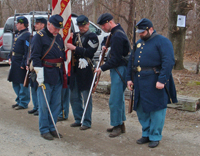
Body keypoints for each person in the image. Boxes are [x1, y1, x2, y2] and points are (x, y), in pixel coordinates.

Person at [126, 18, 177, 148]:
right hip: (139, 80)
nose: (140, 34)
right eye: (139, 32)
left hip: (155, 80)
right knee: (142, 109)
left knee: (156, 110)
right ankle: (146, 133)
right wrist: (129, 78)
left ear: (151, 29)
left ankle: (155, 136)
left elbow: (168, 61)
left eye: (143, 32)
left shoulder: (163, 41)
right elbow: (131, 62)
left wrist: (162, 80)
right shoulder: (138, 43)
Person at [31, 14, 67, 140]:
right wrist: (39, 73)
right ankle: (44, 129)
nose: (57, 30)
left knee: (56, 104)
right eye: (55, 28)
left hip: (57, 74)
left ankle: (52, 127)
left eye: (59, 28)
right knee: (44, 104)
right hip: (45, 74)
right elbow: (35, 56)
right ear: (48, 24)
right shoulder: (39, 37)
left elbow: (62, 54)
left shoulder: (59, 38)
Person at [95, 13, 129, 137]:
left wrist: (101, 68)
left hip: (120, 69)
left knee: (114, 100)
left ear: (110, 22)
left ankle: (117, 125)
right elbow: (108, 39)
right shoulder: (115, 33)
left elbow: (115, 59)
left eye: (103, 25)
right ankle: (120, 124)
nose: (103, 28)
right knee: (118, 98)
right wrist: (105, 44)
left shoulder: (118, 35)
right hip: (118, 68)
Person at [66, 15, 99, 130]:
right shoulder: (76, 36)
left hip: (86, 71)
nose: (81, 27)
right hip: (75, 69)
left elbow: (90, 52)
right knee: (73, 96)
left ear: (88, 24)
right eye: (80, 25)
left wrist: (75, 48)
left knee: (86, 97)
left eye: (83, 25)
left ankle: (87, 121)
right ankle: (78, 118)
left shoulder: (93, 37)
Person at [8, 16, 31, 110]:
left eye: (18, 23)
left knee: (22, 82)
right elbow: (13, 46)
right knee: (15, 81)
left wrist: (24, 62)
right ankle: (19, 100)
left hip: (21, 60)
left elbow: (27, 50)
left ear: (22, 24)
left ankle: (24, 102)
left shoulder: (27, 35)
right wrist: (10, 56)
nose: (16, 25)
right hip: (15, 60)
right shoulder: (18, 34)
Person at [28, 17, 47, 116]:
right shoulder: (35, 36)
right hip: (33, 63)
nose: (35, 25)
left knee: (38, 87)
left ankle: (40, 108)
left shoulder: (43, 36)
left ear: (42, 25)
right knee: (33, 86)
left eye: (37, 23)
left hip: (39, 64)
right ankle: (36, 106)